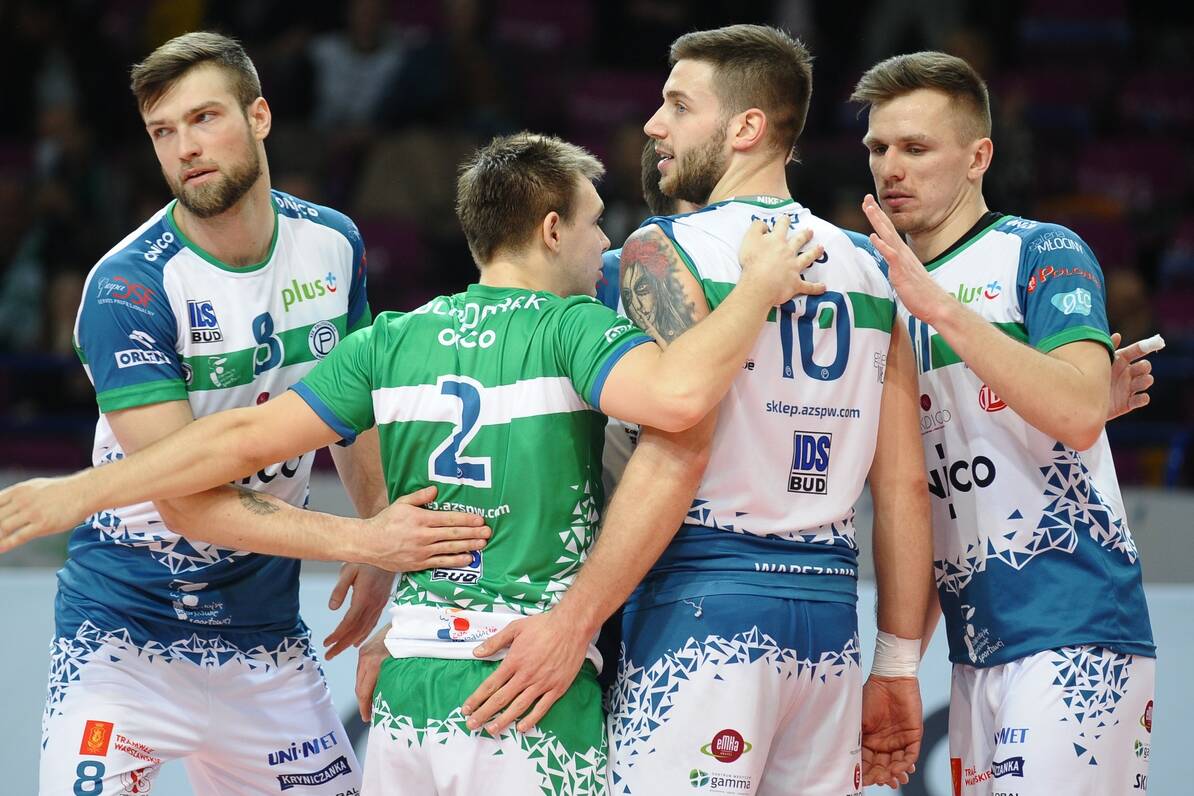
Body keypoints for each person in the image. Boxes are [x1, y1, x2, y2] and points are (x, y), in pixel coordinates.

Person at [0, 132, 825, 795]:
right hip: (522, 684)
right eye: (593, 223)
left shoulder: (391, 340)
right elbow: (680, 398)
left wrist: (82, 492)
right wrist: (758, 288)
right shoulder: (575, 328)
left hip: (408, 686)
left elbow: (229, 442)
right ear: (550, 231)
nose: (603, 243)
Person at [457, 25, 934, 795]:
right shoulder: (871, 267)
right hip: (828, 621)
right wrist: (899, 664)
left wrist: (576, 619)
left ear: (746, 127)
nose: (655, 125)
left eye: (679, 105)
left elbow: (674, 448)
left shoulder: (664, 248)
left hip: (703, 607)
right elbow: (907, 488)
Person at [25, 31, 494, 796]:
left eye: (204, 118)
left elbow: (351, 405)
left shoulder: (332, 242)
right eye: (162, 132)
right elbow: (185, 500)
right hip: (123, 641)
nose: (184, 147)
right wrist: (364, 538)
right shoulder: (128, 287)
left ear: (260, 117)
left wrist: (377, 530)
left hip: (265, 643)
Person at [851, 51, 1156, 794]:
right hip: (973, 653)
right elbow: (921, 502)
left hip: (1077, 632)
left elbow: (1078, 413)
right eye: (878, 148)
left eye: (916, 147)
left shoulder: (1039, 250)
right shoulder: (884, 295)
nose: (891, 167)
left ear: (978, 156)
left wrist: (940, 309)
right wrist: (897, 664)